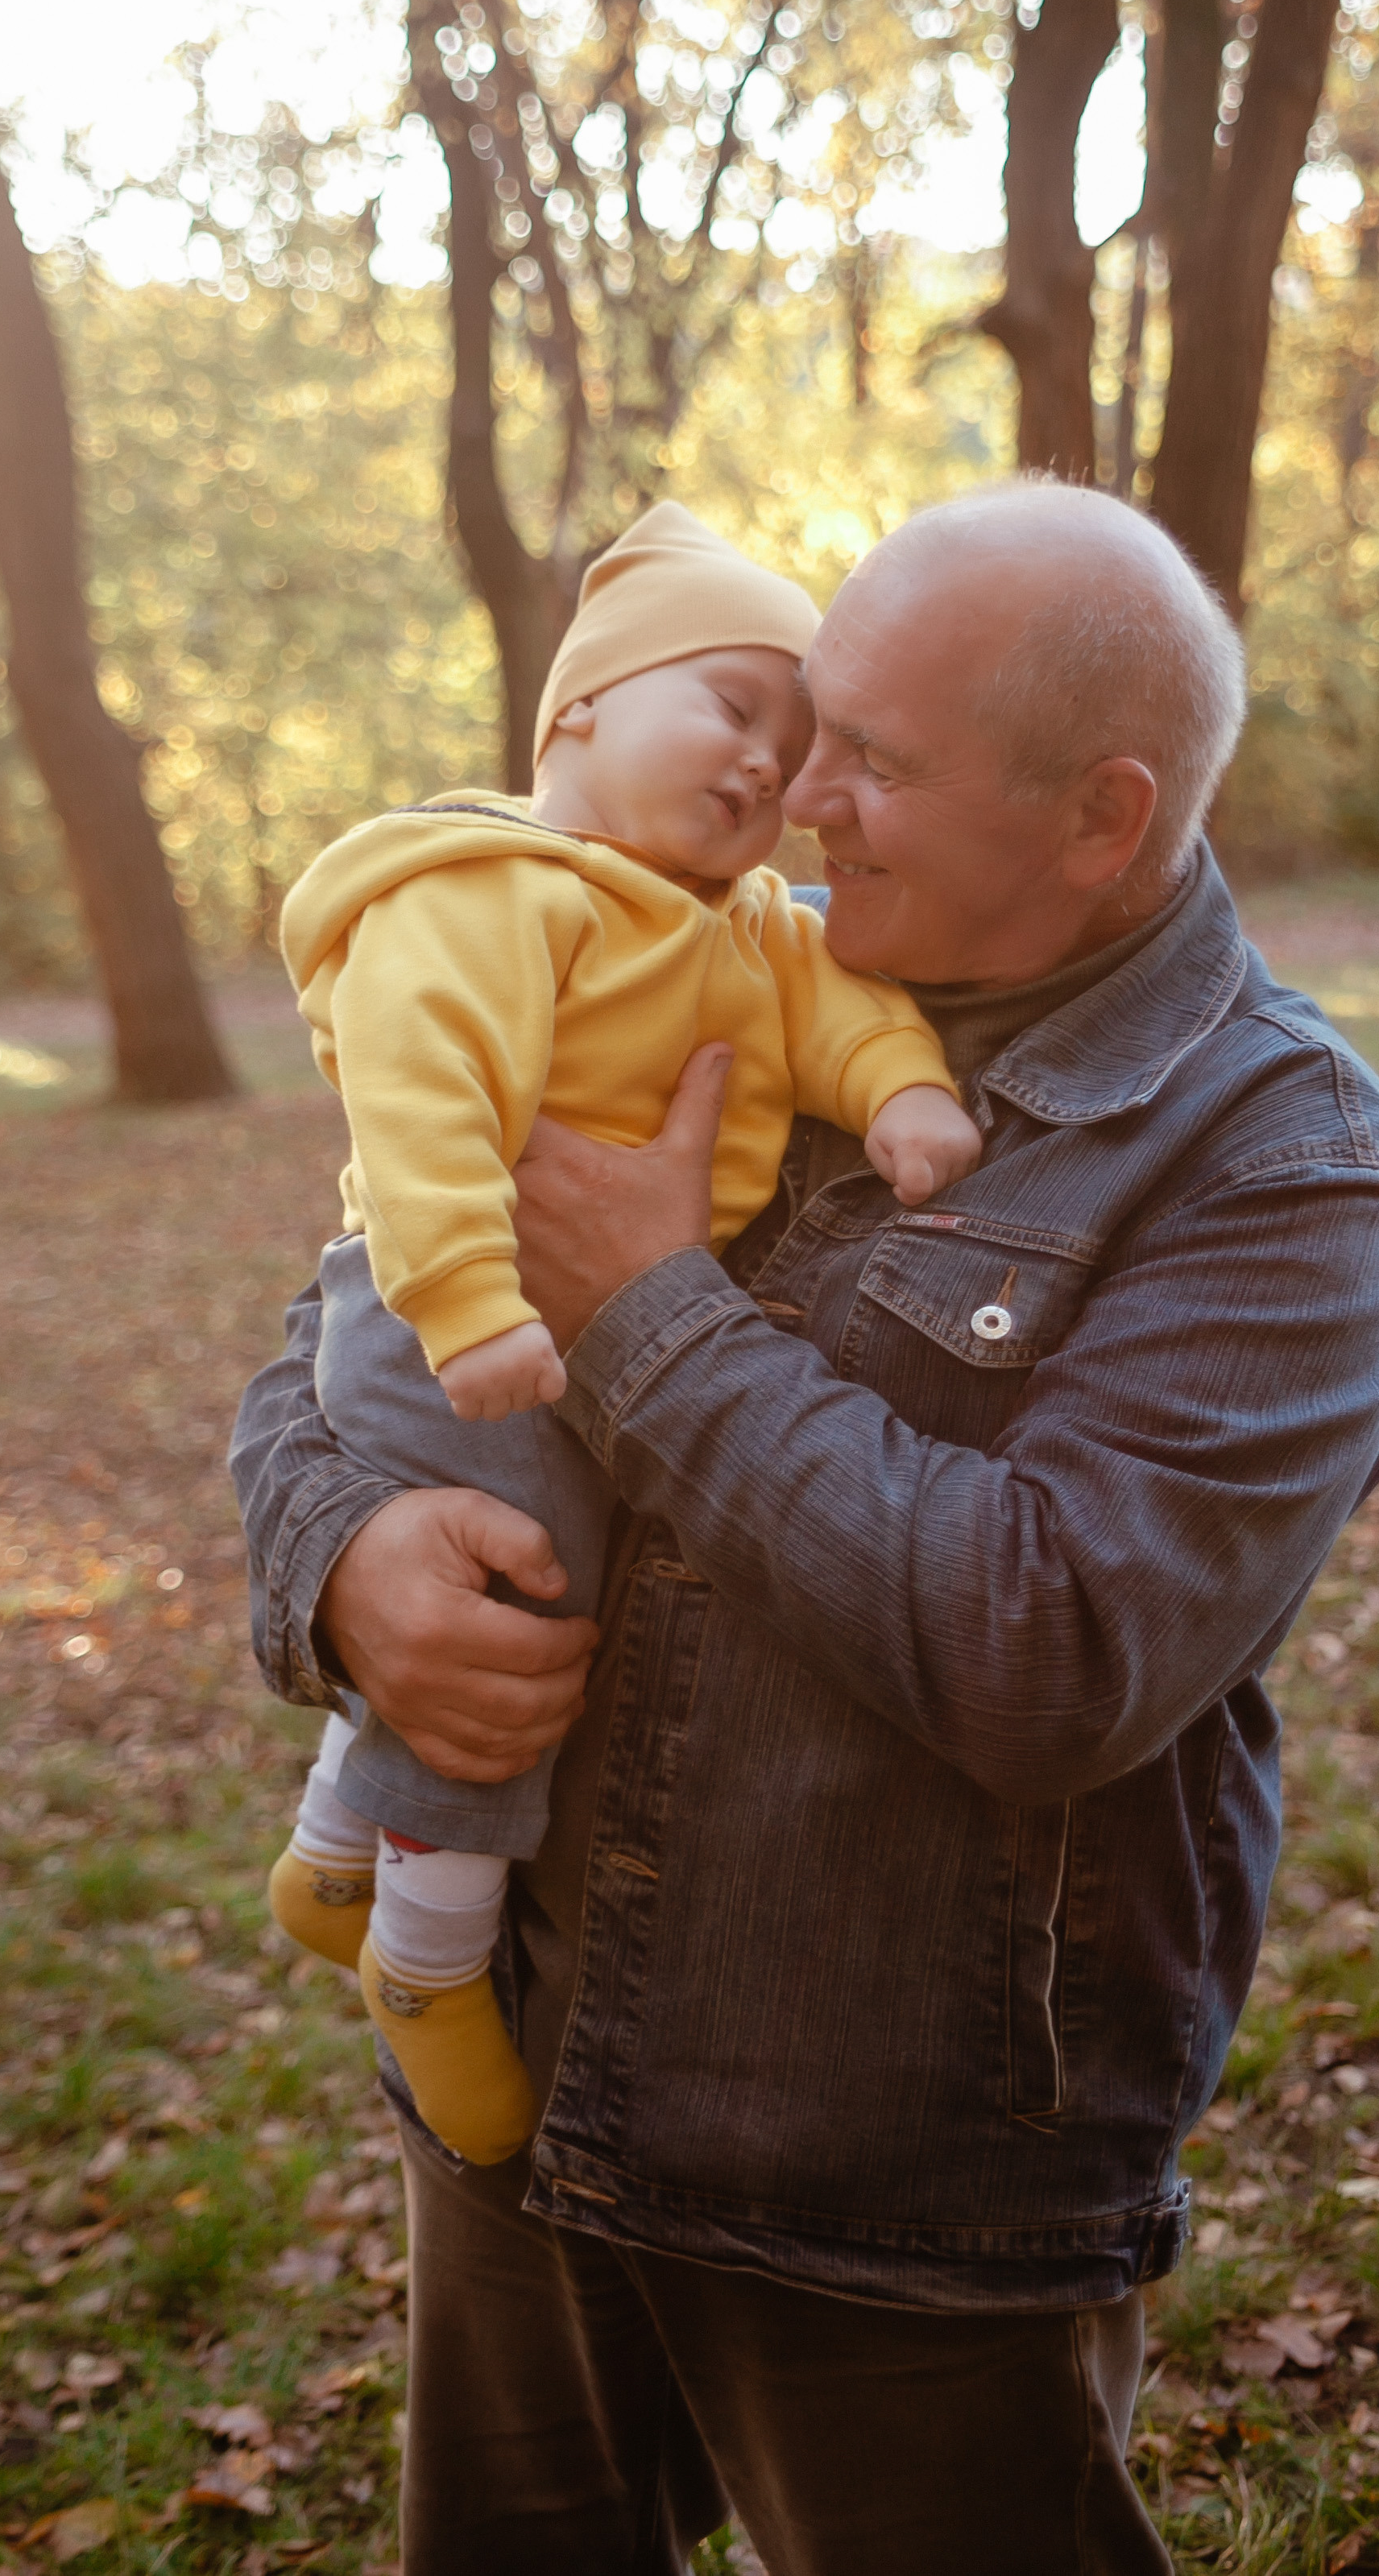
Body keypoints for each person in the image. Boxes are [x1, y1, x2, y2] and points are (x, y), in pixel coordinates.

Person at [231, 479, 1379, 2576]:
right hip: (521, 2055)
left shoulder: (1272, 1158)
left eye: (866, 757)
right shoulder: (653, 936)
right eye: (795, 733)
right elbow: (340, 1318)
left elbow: (1050, 1649)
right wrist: (335, 1556)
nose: (795, 802)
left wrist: (644, 1318)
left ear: (1097, 812)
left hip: (884, 2170)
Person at [266, 501, 979, 2167]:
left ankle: (331, 1852)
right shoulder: (489, 894)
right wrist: (468, 1307)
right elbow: (426, 1098)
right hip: (457, 1307)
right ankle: (429, 1962)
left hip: (579, 1316)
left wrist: (907, 1097)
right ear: (578, 706)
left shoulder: (738, 922)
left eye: (791, 740)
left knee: (485, 1588)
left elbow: (843, 1009)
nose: (766, 766)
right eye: (732, 706)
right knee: (519, 1596)